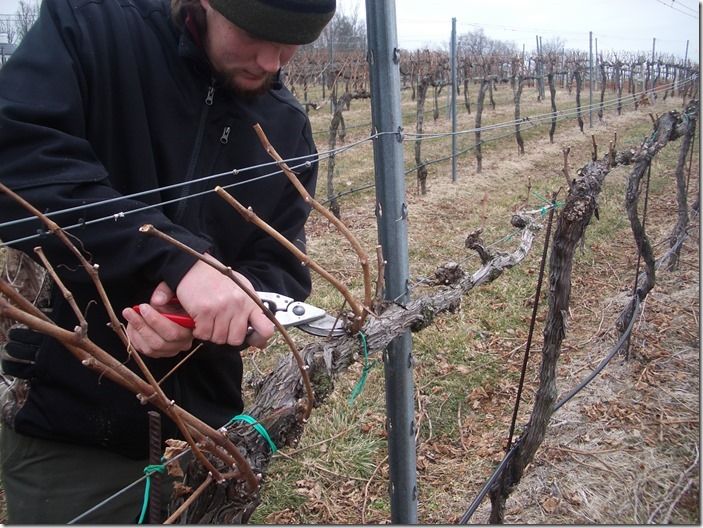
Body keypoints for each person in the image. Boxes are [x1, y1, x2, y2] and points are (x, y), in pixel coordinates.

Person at [0, 0, 335, 522]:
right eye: (253, 33)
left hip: (207, 437)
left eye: (294, 43)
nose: (272, 62)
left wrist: (221, 315)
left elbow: (281, 268)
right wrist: (179, 260)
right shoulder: (91, 27)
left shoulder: (285, 131)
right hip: (69, 425)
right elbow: (18, 165)